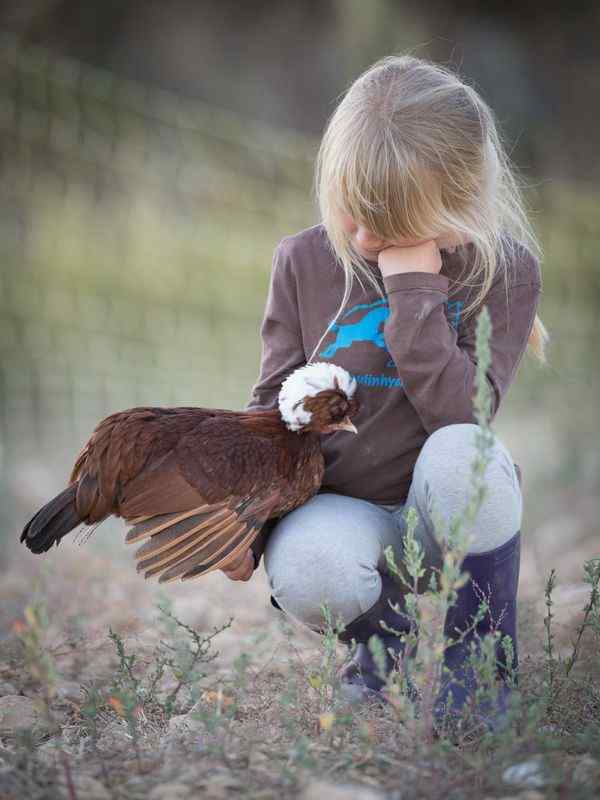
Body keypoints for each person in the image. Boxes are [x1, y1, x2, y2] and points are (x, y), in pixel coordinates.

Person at [222, 54, 548, 729]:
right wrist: (243, 519)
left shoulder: (504, 273)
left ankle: (478, 667)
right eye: (358, 216)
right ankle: (379, 650)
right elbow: (271, 405)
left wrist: (413, 291)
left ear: (462, 203)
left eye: (396, 226)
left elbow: (464, 419)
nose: (367, 241)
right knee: (312, 567)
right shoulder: (303, 263)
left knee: (470, 456)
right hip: (346, 512)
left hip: (445, 512)